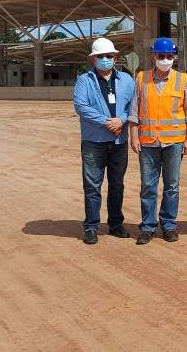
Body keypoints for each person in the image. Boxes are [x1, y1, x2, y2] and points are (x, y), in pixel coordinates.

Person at [128, 37, 187, 245]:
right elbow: (134, 112)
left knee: (171, 186)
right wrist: (134, 136)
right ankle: (148, 226)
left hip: (174, 142)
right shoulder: (141, 79)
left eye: (168, 56)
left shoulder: (182, 80)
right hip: (147, 142)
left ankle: (168, 225)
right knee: (148, 185)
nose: (165, 59)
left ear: (174, 57)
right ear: (153, 57)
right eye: (161, 56)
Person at [72, 37, 135, 245]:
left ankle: (116, 224)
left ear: (116, 58)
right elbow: (81, 105)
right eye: (101, 56)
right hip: (94, 142)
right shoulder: (84, 80)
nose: (105, 59)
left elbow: (134, 106)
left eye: (109, 56)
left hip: (119, 142)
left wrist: (122, 120)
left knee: (117, 184)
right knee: (92, 186)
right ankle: (91, 226)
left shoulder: (126, 80)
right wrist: (106, 122)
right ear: (93, 59)